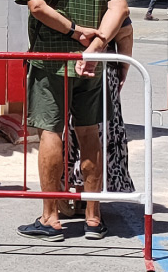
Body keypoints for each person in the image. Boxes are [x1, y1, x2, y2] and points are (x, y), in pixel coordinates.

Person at [15, 0, 128, 242]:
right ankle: (94, 217)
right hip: (90, 67)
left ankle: (50, 216)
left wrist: (75, 33)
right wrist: (94, 48)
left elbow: (36, 6)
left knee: (50, 133)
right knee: (89, 132)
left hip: (50, 62)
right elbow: (120, 8)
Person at [62, 17, 135, 215]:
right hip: (102, 66)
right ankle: (92, 209)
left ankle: (67, 196)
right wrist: (123, 68)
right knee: (97, 132)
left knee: (67, 130)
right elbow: (125, 32)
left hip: (61, 65)